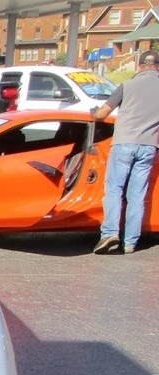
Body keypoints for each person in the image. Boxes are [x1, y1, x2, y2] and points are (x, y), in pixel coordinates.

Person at [90, 50, 159, 255]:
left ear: (139, 66)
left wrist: (93, 112)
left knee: (114, 190)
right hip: (148, 146)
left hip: (123, 143)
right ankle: (130, 243)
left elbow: (102, 114)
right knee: (137, 195)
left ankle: (110, 233)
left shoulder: (127, 86)